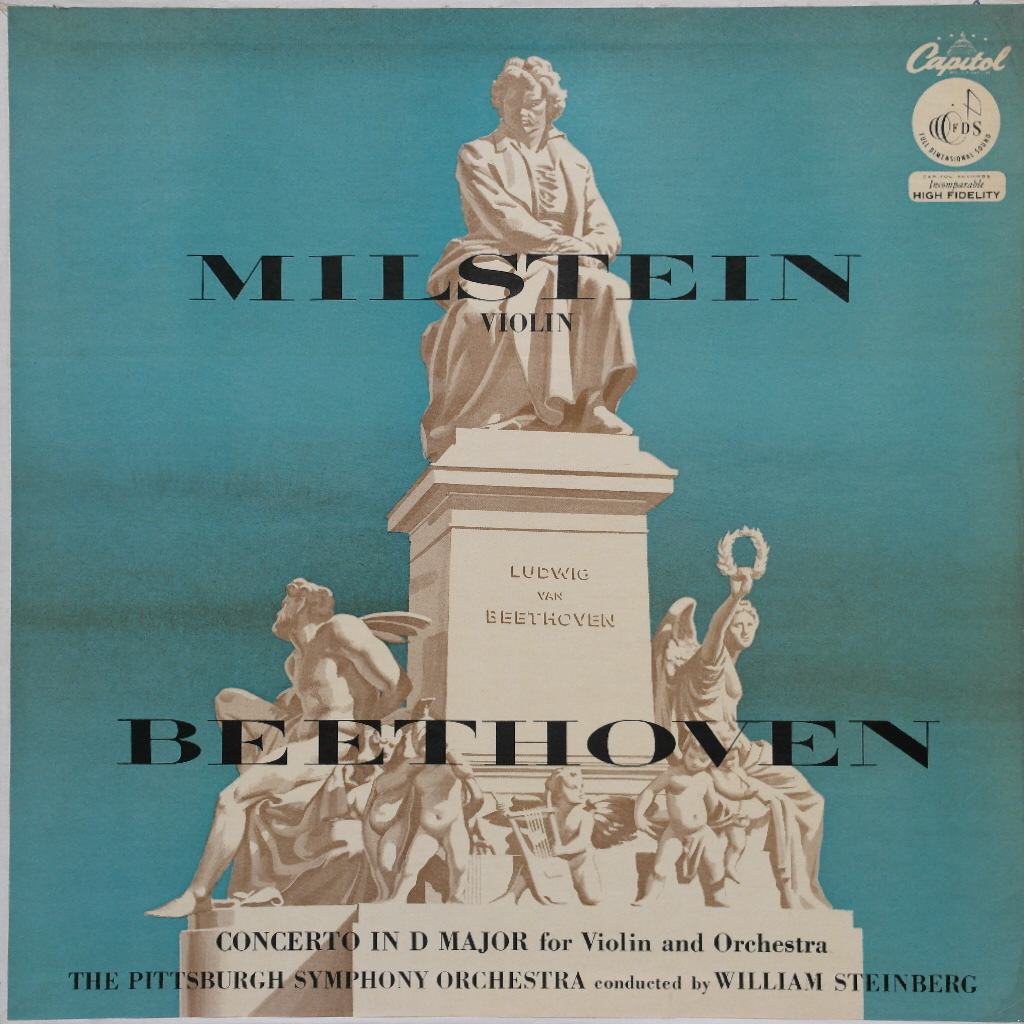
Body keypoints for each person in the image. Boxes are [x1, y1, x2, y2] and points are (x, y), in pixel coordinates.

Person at [145, 579, 426, 917]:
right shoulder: (295, 660)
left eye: (284, 603)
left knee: (231, 798)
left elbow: (399, 686)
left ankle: (197, 894)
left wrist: (368, 730)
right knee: (228, 700)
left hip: (337, 742)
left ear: (302, 603)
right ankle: (259, 777)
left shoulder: (339, 629)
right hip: (302, 739)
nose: (279, 611)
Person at [420, 56, 636, 460]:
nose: (523, 111)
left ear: (550, 105)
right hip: (495, 256)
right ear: (501, 104)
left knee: (607, 287)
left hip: (566, 260)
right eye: (513, 102)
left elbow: (605, 229)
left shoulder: (575, 162)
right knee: (490, 308)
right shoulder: (478, 153)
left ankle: (590, 404)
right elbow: (504, 218)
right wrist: (560, 246)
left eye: (532, 102)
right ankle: (499, 413)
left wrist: (587, 250)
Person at [652, 569, 831, 910]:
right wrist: (734, 598)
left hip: (740, 751)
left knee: (810, 800)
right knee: (803, 801)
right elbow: (714, 631)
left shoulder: (727, 664)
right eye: (739, 624)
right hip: (719, 755)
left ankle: (803, 888)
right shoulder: (709, 661)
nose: (746, 630)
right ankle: (796, 891)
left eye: (751, 624)